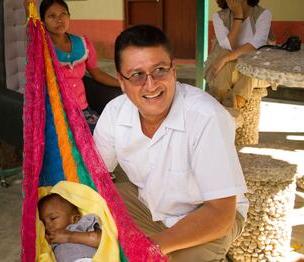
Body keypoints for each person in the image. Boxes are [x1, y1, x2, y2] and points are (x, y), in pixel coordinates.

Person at [93, 24, 249, 261]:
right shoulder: (115, 113)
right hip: (148, 203)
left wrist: (149, 248)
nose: (151, 84)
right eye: (136, 75)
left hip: (207, 217)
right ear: (121, 81)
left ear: (173, 70)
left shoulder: (206, 116)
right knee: (84, 220)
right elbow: (93, 174)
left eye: (159, 70)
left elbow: (220, 212)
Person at [25, 0, 120, 131]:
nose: (59, 20)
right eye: (52, 16)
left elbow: (97, 73)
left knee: (104, 136)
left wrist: (122, 84)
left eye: (63, 14)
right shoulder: (42, 47)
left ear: (69, 16)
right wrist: (28, 5)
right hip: (55, 114)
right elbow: (32, 25)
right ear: (43, 21)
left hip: (82, 110)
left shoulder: (82, 43)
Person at [205, 0, 272, 110]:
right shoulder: (219, 17)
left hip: (255, 74)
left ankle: (235, 101)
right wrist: (238, 17)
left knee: (250, 57)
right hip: (226, 71)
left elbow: (256, 45)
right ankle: (220, 98)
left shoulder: (263, 14)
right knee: (225, 52)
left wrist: (225, 59)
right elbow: (228, 45)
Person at [38, 193, 102, 262]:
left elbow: (99, 240)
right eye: (43, 223)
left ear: (75, 219)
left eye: (53, 218)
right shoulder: (52, 239)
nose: (47, 226)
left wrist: (69, 236)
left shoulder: (81, 224)